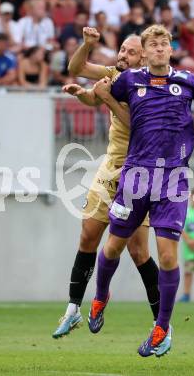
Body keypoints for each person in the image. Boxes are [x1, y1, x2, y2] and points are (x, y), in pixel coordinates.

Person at [90, 24, 194, 357]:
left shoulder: (188, 81)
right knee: (113, 247)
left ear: (170, 49)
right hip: (135, 175)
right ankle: (100, 295)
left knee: (166, 255)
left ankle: (161, 328)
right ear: (146, 51)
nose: (161, 48)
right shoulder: (130, 80)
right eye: (155, 44)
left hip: (173, 180)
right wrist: (88, 92)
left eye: (165, 43)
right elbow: (97, 96)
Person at [52, 28, 161, 340]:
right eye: (121, 50)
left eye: (129, 52)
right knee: (88, 235)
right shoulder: (116, 73)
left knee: (139, 252)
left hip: (139, 174)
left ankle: (161, 324)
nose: (121, 56)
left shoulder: (151, 86)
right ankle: (72, 309)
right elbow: (78, 69)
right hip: (111, 167)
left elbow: (137, 125)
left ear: (144, 57)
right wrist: (87, 47)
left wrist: (104, 97)